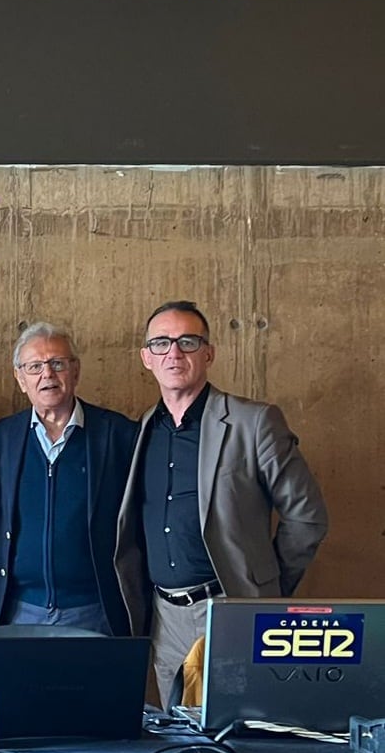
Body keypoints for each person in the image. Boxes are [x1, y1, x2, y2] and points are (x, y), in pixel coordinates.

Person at [116, 299, 328, 705]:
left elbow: (308, 517)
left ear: (208, 353)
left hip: (229, 607)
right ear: (146, 358)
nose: (174, 353)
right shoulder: (143, 428)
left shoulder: (254, 422)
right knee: (178, 743)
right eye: (161, 343)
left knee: (239, 736)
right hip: (164, 618)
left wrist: (264, 586)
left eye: (187, 341)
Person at [0, 323, 136, 636]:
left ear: (75, 371)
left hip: (95, 612)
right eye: (34, 366)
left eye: (57, 364)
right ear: (20, 379)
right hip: (17, 611)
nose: (46, 374)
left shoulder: (118, 435)